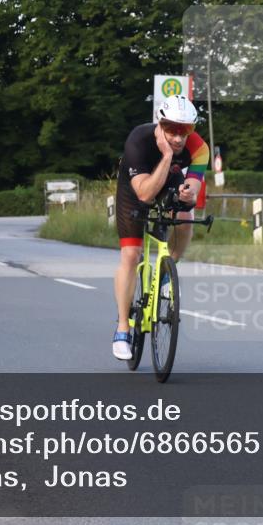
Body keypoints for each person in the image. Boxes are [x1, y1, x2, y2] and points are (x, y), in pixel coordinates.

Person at [112, 96, 209, 360]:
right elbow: (144, 194)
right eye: (172, 130)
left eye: (185, 130)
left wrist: (187, 194)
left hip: (169, 181)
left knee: (186, 216)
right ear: (160, 123)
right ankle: (123, 327)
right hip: (135, 189)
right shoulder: (139, 140)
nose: (178, 138)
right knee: (131, 255)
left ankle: (167, 272)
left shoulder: (199, 148)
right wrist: (167, 155)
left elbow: (194, 185)